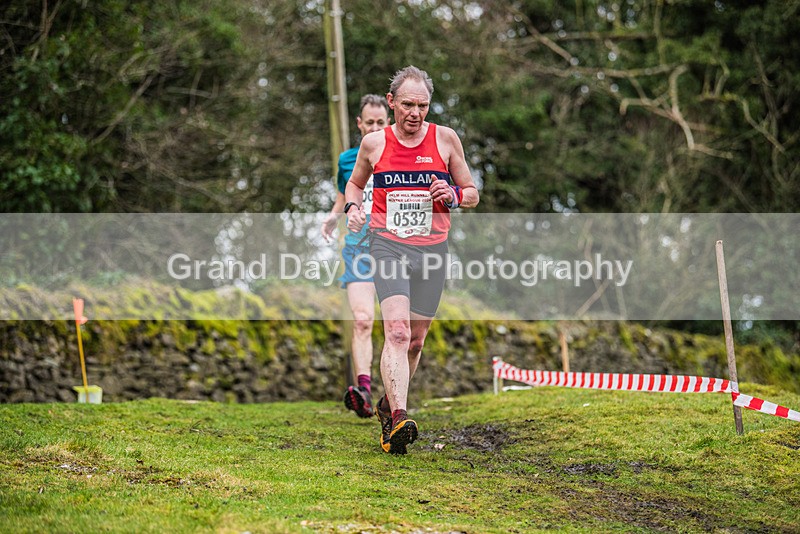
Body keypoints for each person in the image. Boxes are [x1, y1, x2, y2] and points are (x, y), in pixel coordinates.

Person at [344, 66, 479, 454]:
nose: (415, 113)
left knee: (416, 342)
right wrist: (353, 207)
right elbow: (354, 184)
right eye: (407, 105)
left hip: (433, 250)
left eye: (422, 105)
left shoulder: (446, 140)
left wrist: (453, 194)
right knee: (398, 332)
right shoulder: (375, 144)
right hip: (387, 245)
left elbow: (471, 191)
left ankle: (387, 407)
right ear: (392, 103)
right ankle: (400, 414)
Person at [321, 94, 390, 419]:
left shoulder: (399, 154)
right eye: (370, 123)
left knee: (396, 328)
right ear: (360, 124)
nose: (375, 127)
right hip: (359, 247)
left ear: (387, 122)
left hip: (394, 248)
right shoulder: (347, 159)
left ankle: (392, 399)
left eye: (381, 122)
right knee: (362, 320)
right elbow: (344, 193)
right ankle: (363, 390)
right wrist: (334, 217)